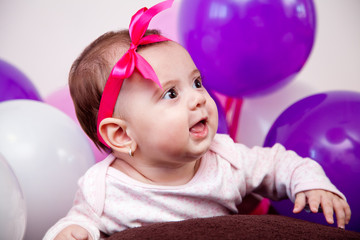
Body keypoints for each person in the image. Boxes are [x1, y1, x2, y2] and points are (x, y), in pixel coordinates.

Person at [44, 0, 351, 239]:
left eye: (197, 82)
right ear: (122, 135)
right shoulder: (104, 188)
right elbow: (78, 221)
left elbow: (279, 164)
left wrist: (310, 184)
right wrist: (70, 232)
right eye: (171, 94)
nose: (200, 98)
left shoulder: (225, 158)